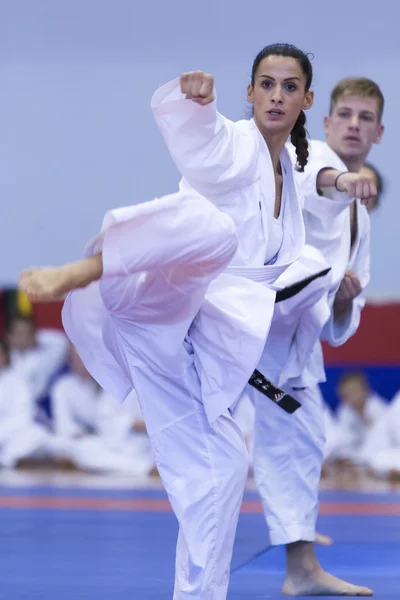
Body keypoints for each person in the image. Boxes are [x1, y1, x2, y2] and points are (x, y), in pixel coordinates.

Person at [19, 44, 374, 600]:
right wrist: (199, 106)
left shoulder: (291, 167)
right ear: (250, 93)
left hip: (200, 351)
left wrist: (342, 197)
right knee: (210, 227)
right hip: (162, 306)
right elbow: (206, 146)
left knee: (223, 473)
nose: (275, 95)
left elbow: (318, 179)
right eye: (265, 83)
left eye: (288, 86)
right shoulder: (236, 143)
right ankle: (87, 266)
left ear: (306, 100)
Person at [250, 76, 384, 595]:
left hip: (288, 350)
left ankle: (300, 566)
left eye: (365, 118)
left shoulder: (361, 225)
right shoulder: (304, 158)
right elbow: (315, 182)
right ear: (326, 123)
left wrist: (343, 300)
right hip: (249, 326)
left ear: (379, 132)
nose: (353, 125)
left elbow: (337, 327)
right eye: (345, 115)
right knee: (228, 455)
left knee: (303, 440)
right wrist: (343, 181)